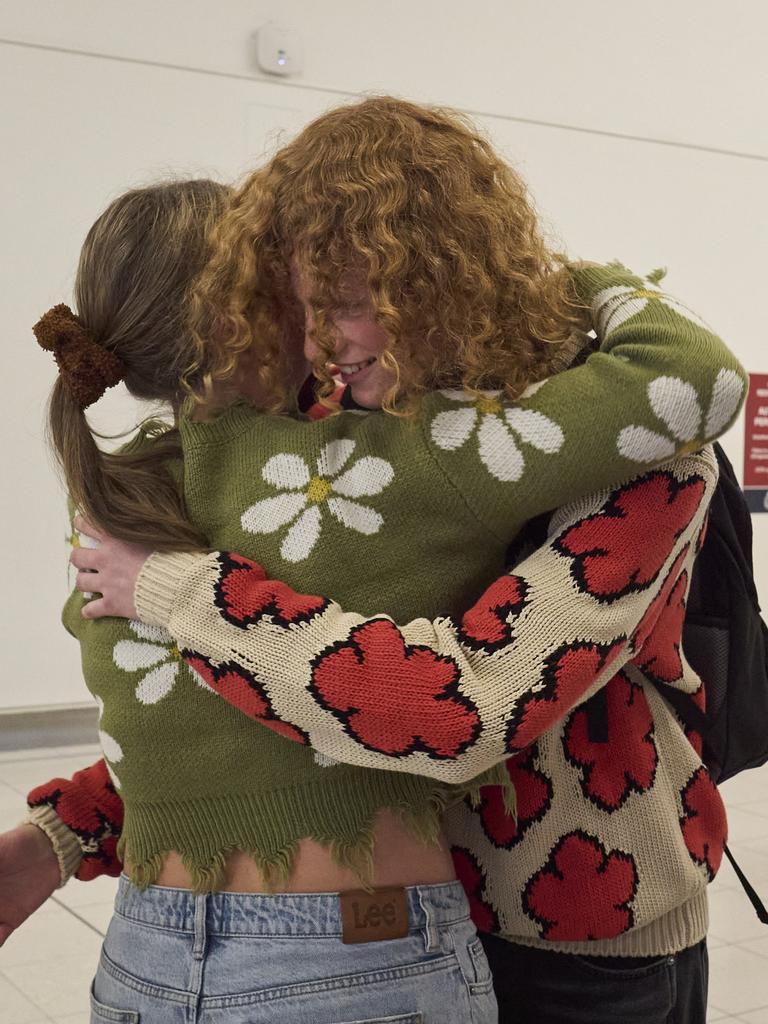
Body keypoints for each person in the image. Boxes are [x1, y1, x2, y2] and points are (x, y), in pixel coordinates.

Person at [9, 97, 744, 1023]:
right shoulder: (339, 435)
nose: (318, 342)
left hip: (575, 931)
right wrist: (69, 829)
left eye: (347, 305)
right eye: (304, 306)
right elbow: (259, 714)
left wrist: (175, 589)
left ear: (440, 278)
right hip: (400, 917)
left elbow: (464, 710)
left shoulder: (644, 455)